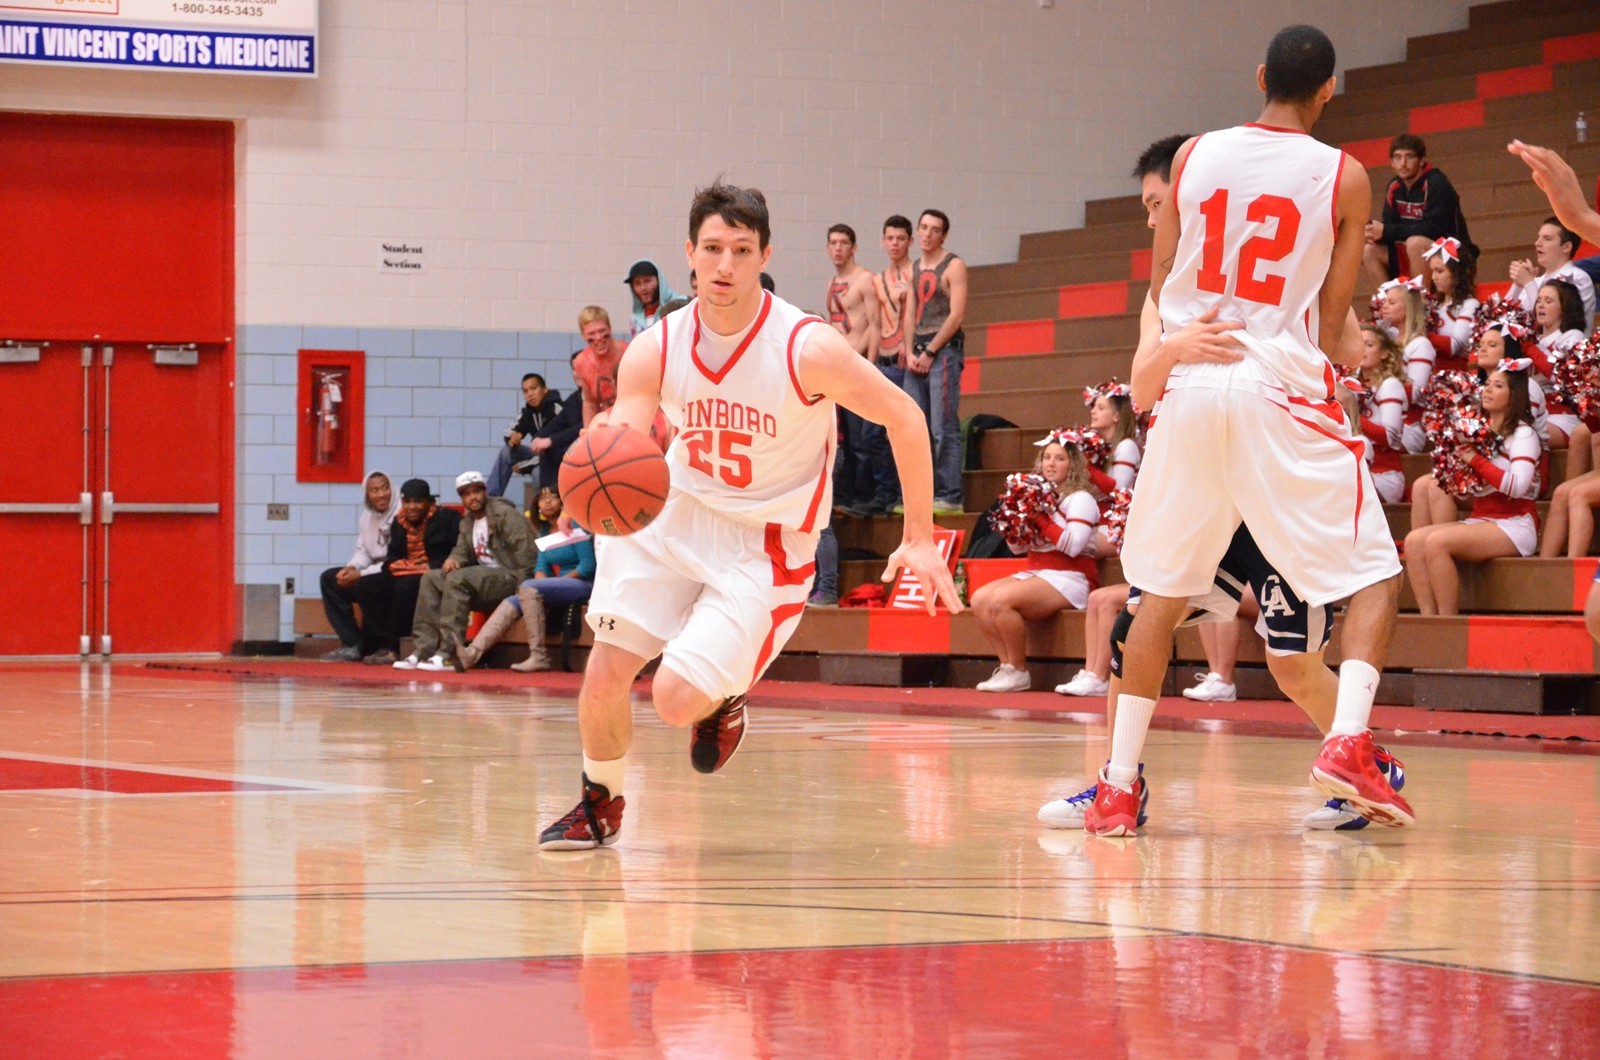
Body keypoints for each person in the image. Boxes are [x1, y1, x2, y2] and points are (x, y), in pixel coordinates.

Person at [537, 180, 959, 849]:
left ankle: (725, 693)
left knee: (674, 700)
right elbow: (629, 432)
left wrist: (920, 537)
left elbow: (906, 416)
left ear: (765, 254)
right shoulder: (657, 346)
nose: (725, 264)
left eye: (740, 249)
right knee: (606, 672)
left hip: (764, 542)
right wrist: (599, 464)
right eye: (712, 248)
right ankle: (599, 803)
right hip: (676, 513)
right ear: (689, 254)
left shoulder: (805, 347)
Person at [1092, 25, 1411, 837]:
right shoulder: (1345, 175)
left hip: (1192, 382)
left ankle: (1118, 787)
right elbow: (1331, 323)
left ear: (1261, 75)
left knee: (1158, 598)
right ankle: (1350, 743)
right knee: (1377, 572)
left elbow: (1162, 283)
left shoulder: (1193, 154)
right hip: (1276, 387)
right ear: (1329, 89)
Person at [1405, 364, 1542, 614]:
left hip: (1514, 523)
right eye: (1487, 384)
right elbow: (1472, 489)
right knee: (1414, 541)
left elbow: (1518, 487)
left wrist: (1473, 459)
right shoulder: (1477, 431)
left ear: (1515, 395)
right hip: (1481, 518)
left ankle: (1446, 622)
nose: (1488, 389)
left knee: (1436, 542)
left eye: (1498, 386)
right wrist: (1454, 473)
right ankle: (1428, 619)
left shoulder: (1523, 435)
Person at [971, 431, 1101, 693]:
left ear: (1073, 464)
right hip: (1039, 571)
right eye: (1047, 457)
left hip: (1071, 576)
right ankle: (1007, 667)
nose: (1051, 464)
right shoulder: (1039, 496)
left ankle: (1019, 670)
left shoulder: (1080, 499)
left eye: (1059, 458)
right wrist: (1014, 525)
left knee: (1001, 601)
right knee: (979, 599)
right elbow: (1017, 549)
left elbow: (1074, 546)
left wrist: (1039, 518)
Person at [394, 471, 537, 671]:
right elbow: (461, 550)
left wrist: (523, 587)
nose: (473, 497)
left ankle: (447, 653)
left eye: (476, 491)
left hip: (509, 576)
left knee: (458, 579)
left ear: (485, 492)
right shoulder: (467, 521)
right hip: (483, 579)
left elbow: (526, 552)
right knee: (431, 578)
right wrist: (454, 559)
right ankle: (423, 651)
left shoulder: (504, 513)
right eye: (466, 494)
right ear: (462, 498)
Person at [457, 489, 594, 674]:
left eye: (553, 497)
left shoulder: (574, 524)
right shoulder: (544, 531)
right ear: (537, 506)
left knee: (528, 586)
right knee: (512, 600)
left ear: (563, 502)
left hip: (583, 584)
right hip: (558, 585)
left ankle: (539, 656)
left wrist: (551, 585)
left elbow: (587, 566)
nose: (547, 502)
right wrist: (545, 584)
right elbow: (541, 567)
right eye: (542, 498)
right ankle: (472, 653)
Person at [905, 209, 968, 515]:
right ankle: (923, 494)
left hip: (942, 351)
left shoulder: (954, 265)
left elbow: (956, 315)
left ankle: (950, 494)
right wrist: (909, 351)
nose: (928, 234)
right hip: (917, 349)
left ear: (943, 235)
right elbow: (909, 313)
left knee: (943, 426)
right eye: (924, 228)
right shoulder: (915, 266)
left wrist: (930, 351)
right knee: (916, 425)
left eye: (935, 229)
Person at [358, 478, 461, 665]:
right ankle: (377, 644)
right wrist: (396, 566)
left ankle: (394, 646)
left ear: (430, 503)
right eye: (407, 502)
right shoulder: (399, 522)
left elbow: (455, 552)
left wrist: (421, 567)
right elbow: (392, 558)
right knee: (367, 585)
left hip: (434, 573)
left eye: (418, 501)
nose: (411, 507)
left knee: (404, 588)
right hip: (405, 571)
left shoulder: (447, 519)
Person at [823, 223, 887, 517]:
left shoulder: (865, 280)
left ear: (853, 247)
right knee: (844, 438)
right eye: (833, 243)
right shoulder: (831, 283)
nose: (838, 248)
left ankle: (868, 495)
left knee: (864, 438)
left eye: (843, 243)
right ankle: (846, 496)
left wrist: (868, 366)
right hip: (837, 368)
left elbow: (875, 325)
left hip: (857, 363)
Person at [1363, 133, 1471, 288]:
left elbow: (1433, 229)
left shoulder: (1437, 183)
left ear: (1421, 160)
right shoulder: (1394, 187)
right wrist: (1373, 233)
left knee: (1415, 243)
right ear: (1391, 162)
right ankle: (1389, 300)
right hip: (1414, 255)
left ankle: (1419, 301)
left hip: (1452, 254)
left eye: (1409, 157)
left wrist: (1385, 231)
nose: (1403, 163)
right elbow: (1390, 226)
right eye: (1398, 157)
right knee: (1370, 250)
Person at [318, 470, 398, 662]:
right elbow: (363, 550)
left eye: (385, 488)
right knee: (329, 579)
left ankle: (382, 645)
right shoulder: (366, 517)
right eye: (374, 490)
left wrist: (361, 575)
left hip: (393, 573)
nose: (381, 494)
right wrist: (352, 568)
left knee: (366, 584)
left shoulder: (401, 514)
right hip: (370, 572)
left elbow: (394, 561)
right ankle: (353, 644)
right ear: (367, 494)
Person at [868, 215, 915, 512]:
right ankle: (885, 492)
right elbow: (874, 324)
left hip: (903, 360)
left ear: (910, 241)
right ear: (883, 241)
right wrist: (869, 365)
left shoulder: (916, 272)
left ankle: (902, 494)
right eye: (890, 238)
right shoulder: (877, 279)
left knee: (898, 428)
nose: (895, 244)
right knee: (873, 433)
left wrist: (907, 347)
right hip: (882, 359)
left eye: (900, 238)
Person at [1508, 216, 1596, 331]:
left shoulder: (1577, 277)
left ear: (1566, 247)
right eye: (1538, 237)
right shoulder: (1535, 282)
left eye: (1547, 239)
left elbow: (1553, 326)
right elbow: (1505, 321)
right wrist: (1518, 285)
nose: (1537, 243)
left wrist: (1529, 283)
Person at [1356, 324, 1410, 504]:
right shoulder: (1351, 384)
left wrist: (1351, 415)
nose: (1362, 348)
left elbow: (1389, 437)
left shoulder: (1390, 385)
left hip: (1384, 474)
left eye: (1369, 345)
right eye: (1358, 343)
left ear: (1384, 353)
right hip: (1359, 468)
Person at [487, 373, 564, 497]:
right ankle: (491, 499)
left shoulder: (556, 409)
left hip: (559, 459)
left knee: (537, 472)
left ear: (545, 389)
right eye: (525, 391)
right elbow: (509, 431)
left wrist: (525, 466)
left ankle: (544, 505)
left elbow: (553, 450)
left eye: (533, 388)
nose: (530, 394)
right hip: (540, 456)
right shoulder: (527, 412)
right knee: (507, 451)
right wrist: (513, 437)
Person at [1423, 237, 1479, 372]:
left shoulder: (1470, 304)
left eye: (1440, 271)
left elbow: (1454, 346)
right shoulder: (1434, 304)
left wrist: (1418, 334)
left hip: (1453, 376)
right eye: (1432, 271)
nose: (1433, 277)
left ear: (1457, 273)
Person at [625, 260, 681, 335]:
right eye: (637, 283)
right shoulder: (635, 318)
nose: (643, 288)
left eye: (647, 281)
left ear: (659, 281)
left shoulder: (679, 307)